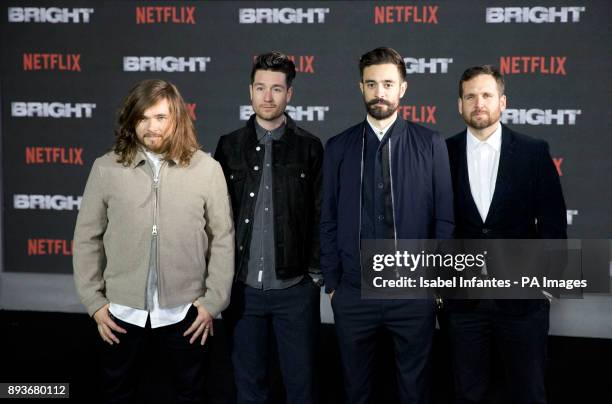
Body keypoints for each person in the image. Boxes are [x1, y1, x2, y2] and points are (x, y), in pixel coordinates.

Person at [73, 79, 235, 404]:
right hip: (119, 313)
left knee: (192, 395)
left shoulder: (208, 169)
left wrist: (211, 303)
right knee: (117, 394)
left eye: (160, 117)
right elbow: (86, 238)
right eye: (142, 118)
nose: (151, 127)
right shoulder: (106, 168)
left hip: (187, 313)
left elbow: (223, 239)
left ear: (176, 117)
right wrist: (95, 303)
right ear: (131, 120)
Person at [320, 47, 454, 404]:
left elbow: (444, 219)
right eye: (372, 83)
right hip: (353, 292)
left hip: (412, 293)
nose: (380, 92)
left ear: (403, 88)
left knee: (414, 390)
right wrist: (333, 284)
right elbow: (328, 218)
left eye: (388, 84)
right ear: (360, 88)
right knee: (357, 390)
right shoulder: (338, 147)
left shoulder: (431, 144)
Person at [444, 65, 567, 403]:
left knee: (528, 392)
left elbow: (554, 221)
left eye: (486, 95)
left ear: (503, 102)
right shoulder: (442, 153)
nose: (478, 103)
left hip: (523, 301)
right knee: (467, 393)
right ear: (460, 105)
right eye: (470, 96)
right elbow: (435, 223)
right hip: (463, 302)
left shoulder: (533, 151)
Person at [214, 52, 324, 404]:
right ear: (250, 90)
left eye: (276, 89)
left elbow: (321, 215)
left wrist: (314, 276)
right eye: (260, 87)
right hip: (242, 288)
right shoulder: (229, 146)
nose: (267, 96)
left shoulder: (309, 147)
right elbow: (216, 216)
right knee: (249, 388)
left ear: (289, 94)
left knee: (301, 387)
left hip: (295, 289)